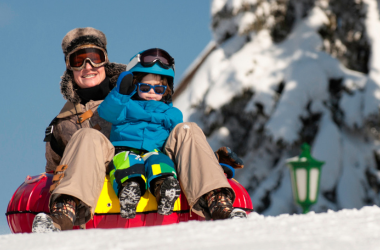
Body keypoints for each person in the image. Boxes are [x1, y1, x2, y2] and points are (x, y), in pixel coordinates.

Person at [32, 28, 245, 233]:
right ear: (69, 67)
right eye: (78, 61)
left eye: (95, 57)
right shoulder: (64, 123)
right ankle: (65, 210)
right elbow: (53, 172)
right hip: (108, 170)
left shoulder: (135, 87)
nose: (88, 66)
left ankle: (217, 201)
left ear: (105, 59)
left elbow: (176, 139)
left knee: (187, 129)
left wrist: (211, 159)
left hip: (159, 161)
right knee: (88, 136)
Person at [98, 49, 183, 219]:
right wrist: (120, 94)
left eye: (158, 89)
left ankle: (164, 188)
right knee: (128, 163)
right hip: (125, 149)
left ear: (166, 90)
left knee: (161, 163)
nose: (152, 92)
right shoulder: (126, 106)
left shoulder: (170, 112)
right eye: (145, 87)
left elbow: (180, 133)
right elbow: (107, 113)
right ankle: (130, 189)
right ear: (135, 86)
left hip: (154, 150)